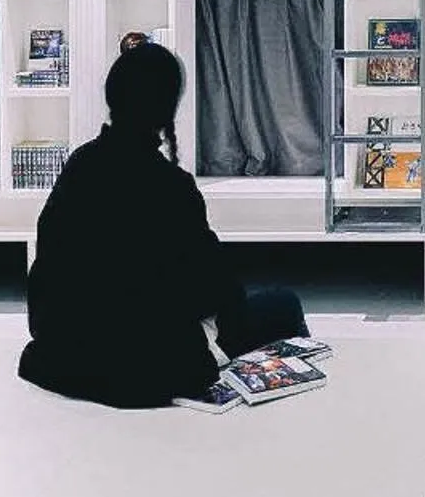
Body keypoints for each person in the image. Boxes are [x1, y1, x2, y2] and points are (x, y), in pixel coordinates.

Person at [18, 40, 308, 409]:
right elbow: (215, 290)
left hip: (64, 358)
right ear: (168, 107)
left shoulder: (79, 165)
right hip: (144, 369)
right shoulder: (172, 187)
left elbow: (47, 270)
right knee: (283, 304)